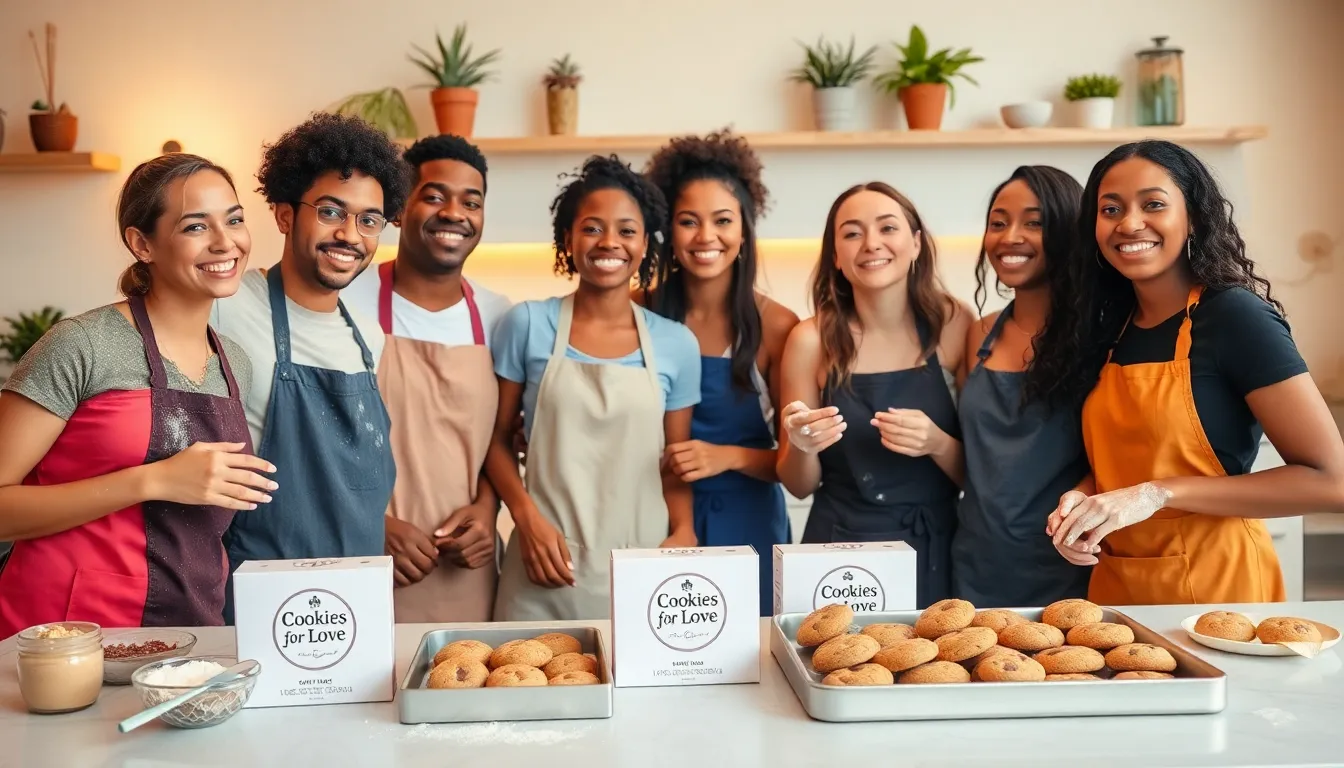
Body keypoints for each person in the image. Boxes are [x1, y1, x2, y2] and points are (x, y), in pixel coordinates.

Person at [1047, 140, 1344, 605]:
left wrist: (1156, 494)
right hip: (1119, 589)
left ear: (1196, 218)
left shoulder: (1235, 318)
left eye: (1154, 204)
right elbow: (1125, 463)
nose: (1129, 223)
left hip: (1220, 592)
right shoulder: (1109, 326)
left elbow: (1332, 481)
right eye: (1111, 209)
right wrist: (1084, 503)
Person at [0, 154, 274, 638]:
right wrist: (152, 481)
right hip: (66, 636)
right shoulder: (82, 344)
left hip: (189, 630)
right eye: (195, 226)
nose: (225, 241)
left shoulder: (235, 362)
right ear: (141, 243)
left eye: (233, 219)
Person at [486, 154, 701, 621]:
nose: (609, 242)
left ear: (646, 244)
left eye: (626, 230)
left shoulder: (676, 344)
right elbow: (496, 440)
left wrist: (684, 531)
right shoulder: (526, 324)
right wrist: (525, 518)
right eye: (592, 228)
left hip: (643, 565)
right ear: (568, 238)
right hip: (542, 563)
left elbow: (674, 462)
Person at [211, 113, 409, 605]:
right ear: (283, 215)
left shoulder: (368, 337)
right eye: (330, 212)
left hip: (354, 601)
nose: (350, 234)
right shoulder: (224, 307)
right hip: (257, 595)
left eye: (369, 220)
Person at [777, 182, 971, 609]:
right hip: (838, 552)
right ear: (836, 256)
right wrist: (801, 446)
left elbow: (979, 478)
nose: (871, 244)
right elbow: (797, 483)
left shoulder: (954, 325)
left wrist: (937, 443)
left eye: (887, 228)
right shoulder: (809, 340)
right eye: (851, 233)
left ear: (916, 242)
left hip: (937, 546)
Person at [343, 135, 512, 622]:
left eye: (471, 202)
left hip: (465, 568)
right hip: (366, 557)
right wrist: (373, 525)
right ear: (399, 209)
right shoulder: (349, 299)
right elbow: (317, 440)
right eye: (435, 196)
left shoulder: (500, 315)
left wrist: (487, 510)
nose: (454, 212)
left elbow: (500, 441)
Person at [641, 130, 799, 617]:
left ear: (745, 230)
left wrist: (725, 456)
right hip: (651, 514)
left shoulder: (777, 325)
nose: (706, 237)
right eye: (689, 221)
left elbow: (796, 467)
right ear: (668, 230)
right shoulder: (637, 312)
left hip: (748, 523)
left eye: (722, 220)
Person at [951, 166, 1094, 607]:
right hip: (978, 561)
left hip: (1067, 561)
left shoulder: (1100, 337)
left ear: (1069, 229)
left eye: (1033, 222)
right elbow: (973, 460)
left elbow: (1118, 460)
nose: (1010, 236)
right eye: (998, 223)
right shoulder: (979, 334)